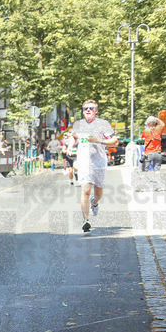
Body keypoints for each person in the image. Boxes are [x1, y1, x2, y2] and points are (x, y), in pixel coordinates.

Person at [72, 100, 118, 233]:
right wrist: (71, 144)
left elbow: (115, 142)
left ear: (96, 111)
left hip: (99, 161)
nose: (88, 110)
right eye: (85, 108)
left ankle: (95, 202)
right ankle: (85, 220)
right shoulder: (78, 124)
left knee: (98, 192)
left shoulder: (103, 124)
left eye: (91, 108)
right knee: (85, 190)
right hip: (84, 161)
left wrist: (99, 140)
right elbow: (74, 137)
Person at [141, 116, 164, 190]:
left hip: (148, 153)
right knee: (157, 170)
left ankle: (143, 187)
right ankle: (158, 186)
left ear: (147, 123)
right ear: (155, 123)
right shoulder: (158, 129)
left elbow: (142, 137)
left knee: (145, 170)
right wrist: (156, 119)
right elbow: (163, 124)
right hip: (158, 152)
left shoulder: (145, 130)